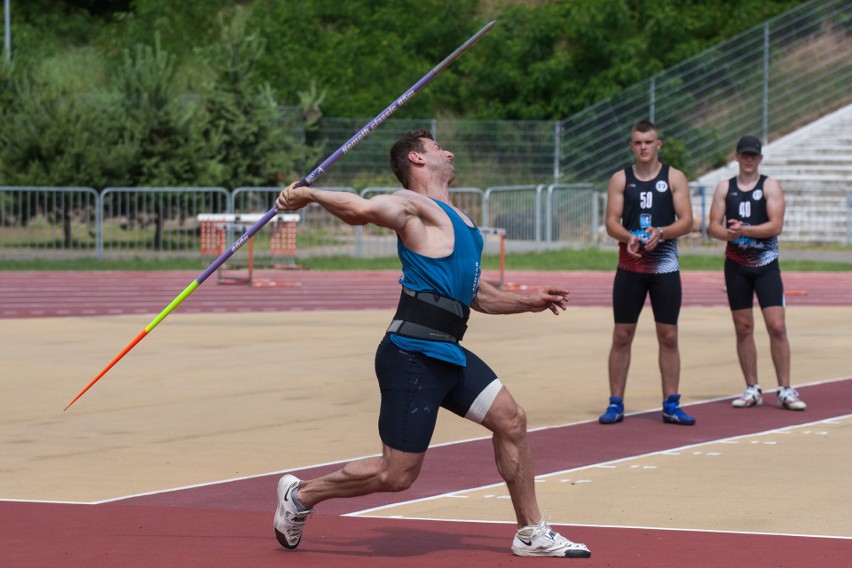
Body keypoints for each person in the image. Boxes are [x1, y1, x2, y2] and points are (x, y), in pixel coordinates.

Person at [271, 129, 591, 559]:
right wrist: (309, 195)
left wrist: (528, 301)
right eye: (439, 148)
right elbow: (362, 209)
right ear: (417, 160)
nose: (450, 152)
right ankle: (301, 496)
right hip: (411, 354)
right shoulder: (411, 207)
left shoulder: (463, 222)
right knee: (397, 475)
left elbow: (476, 296)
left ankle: (531, 532)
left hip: (448, 352)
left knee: (511, 420)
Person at [599, 119, 696, 426]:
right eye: (638, 142)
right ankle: (616, 402)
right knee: (622, 334)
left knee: (668, 335)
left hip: (665, 267)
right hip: (630, 267)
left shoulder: (675, 178)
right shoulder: (620, 179)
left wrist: (662, 232)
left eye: (648, 141)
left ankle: (671, 403)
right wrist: (629, 237)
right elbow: (611, 221)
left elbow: (687, 221)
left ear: (658, 145)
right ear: (632, 146)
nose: (643, 147)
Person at [707, 135, 806, 411]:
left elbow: (776, 226)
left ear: (760, 158)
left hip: (765, 266)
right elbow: (712, 226)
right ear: (736, 157)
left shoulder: (770, 186)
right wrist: (727, 233)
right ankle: (752, 387)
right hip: (736, 266)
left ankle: (785, 389)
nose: (749, 160)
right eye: (744, 155)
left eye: (754, 155)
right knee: (743, 327)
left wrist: (744, 230)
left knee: (776, 326)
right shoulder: (725, 188)